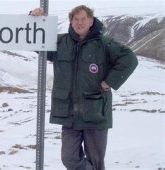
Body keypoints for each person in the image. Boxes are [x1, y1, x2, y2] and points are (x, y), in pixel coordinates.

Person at [30, 5, 138, 170]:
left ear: (91, 21)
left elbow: (129, 59)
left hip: (95, 113)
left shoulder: (104, 43)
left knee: (96, 162)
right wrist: (34, 18)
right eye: (76, 19)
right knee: (69, 159)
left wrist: (110, 81)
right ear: (71, 22)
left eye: (83, 19)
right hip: (69, 115)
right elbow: (36, 42)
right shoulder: (60, 42)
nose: (79, 22)